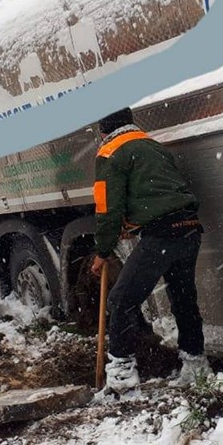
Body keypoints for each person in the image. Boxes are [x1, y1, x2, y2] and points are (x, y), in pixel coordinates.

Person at [89, 107, 208, 392]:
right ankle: (196, 365)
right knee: (182, 298)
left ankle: (120, 379)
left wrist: (102, 251)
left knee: (121, 299)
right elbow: (158, 192)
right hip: (189, 228)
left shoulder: (110, 153)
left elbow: (108, 208)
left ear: (103, 133)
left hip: (161, 235)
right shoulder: (154, 147)